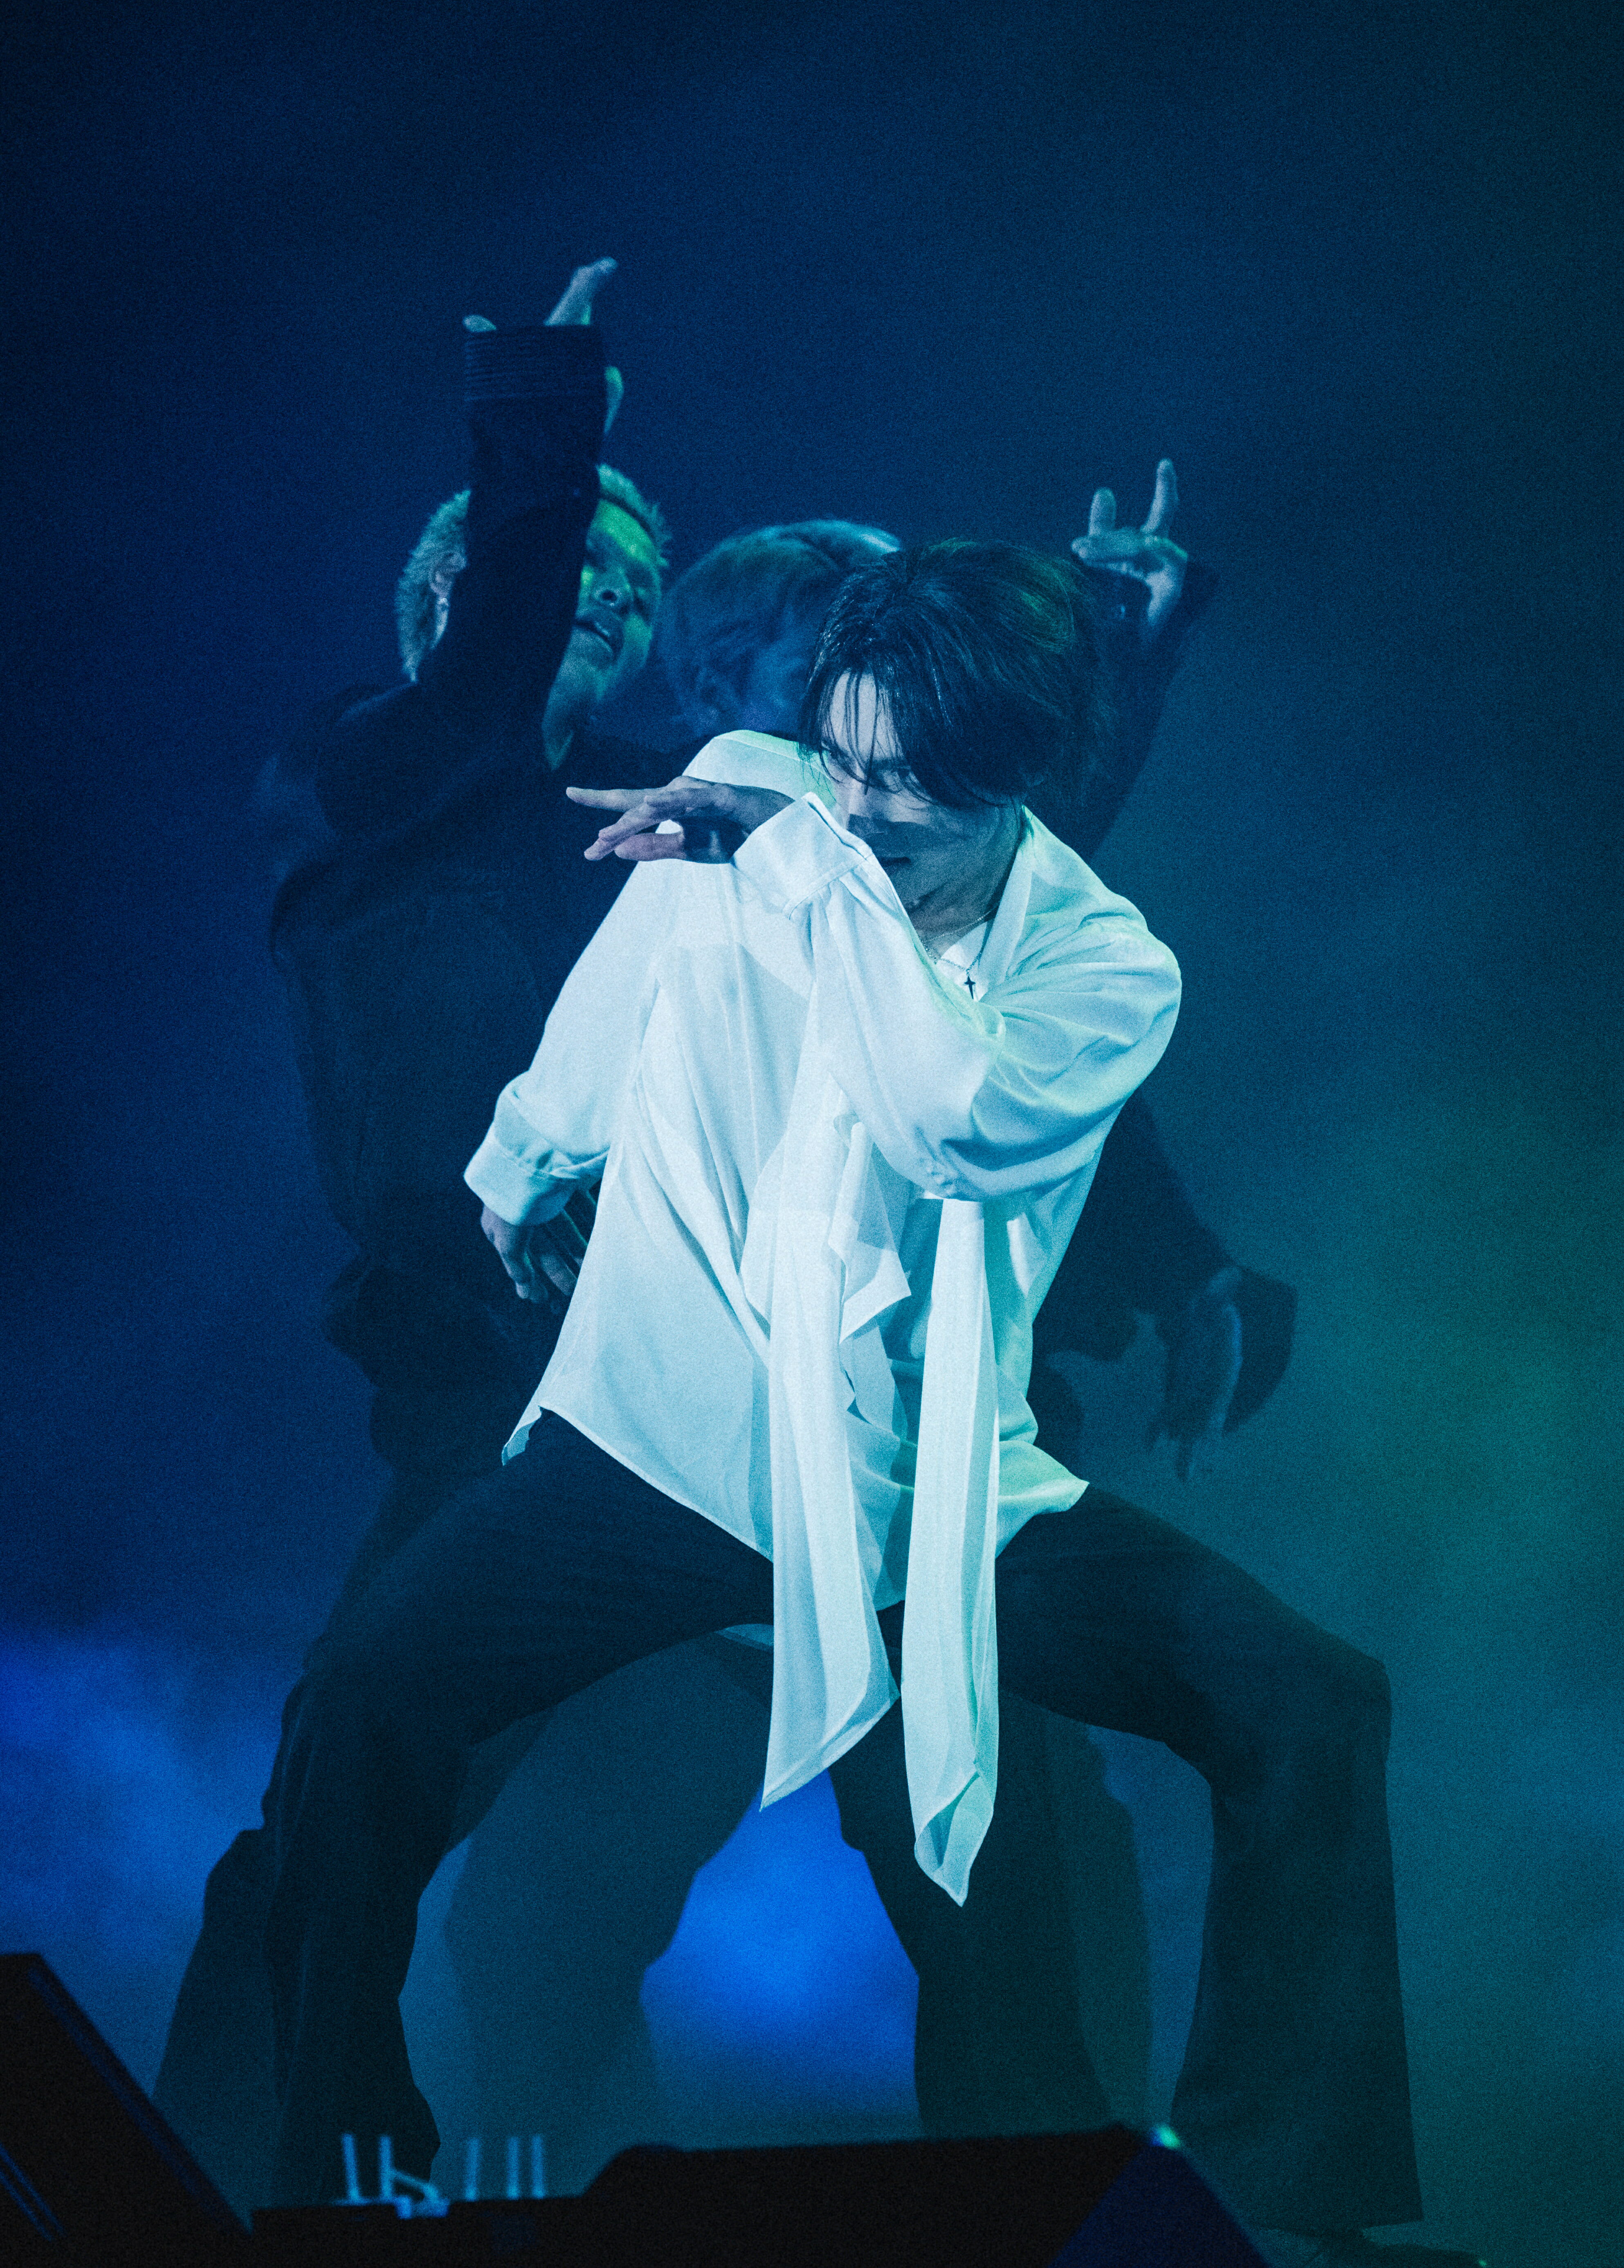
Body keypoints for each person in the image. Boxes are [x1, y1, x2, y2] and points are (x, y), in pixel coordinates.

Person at [252, 536, 1461, 2268]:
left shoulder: (1102, 968)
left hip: (917, 1500)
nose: (864, 808)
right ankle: (339, 2171)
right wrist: (526, 1160)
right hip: (661, 1443)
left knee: (1304, 1701)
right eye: (844, 762)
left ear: (1016, 780)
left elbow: (940, 1114)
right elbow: (628, 982)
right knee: (362, 1711)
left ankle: (1277, 2198)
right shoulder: (753, 799)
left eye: (908, 787)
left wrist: (807, 861)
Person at [154, 258, 676, 2209]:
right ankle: (237, 2189)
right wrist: (543, 426)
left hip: (707, 1394)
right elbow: (476, 694)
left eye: (634, 589)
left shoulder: (653, 829)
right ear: (451, 588)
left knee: (989, 1793)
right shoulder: (354, 775)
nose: (601, 598)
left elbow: (921, 904)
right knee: (337, 1820)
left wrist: (1108, 666)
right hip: (493, 1406)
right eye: (568, 564)